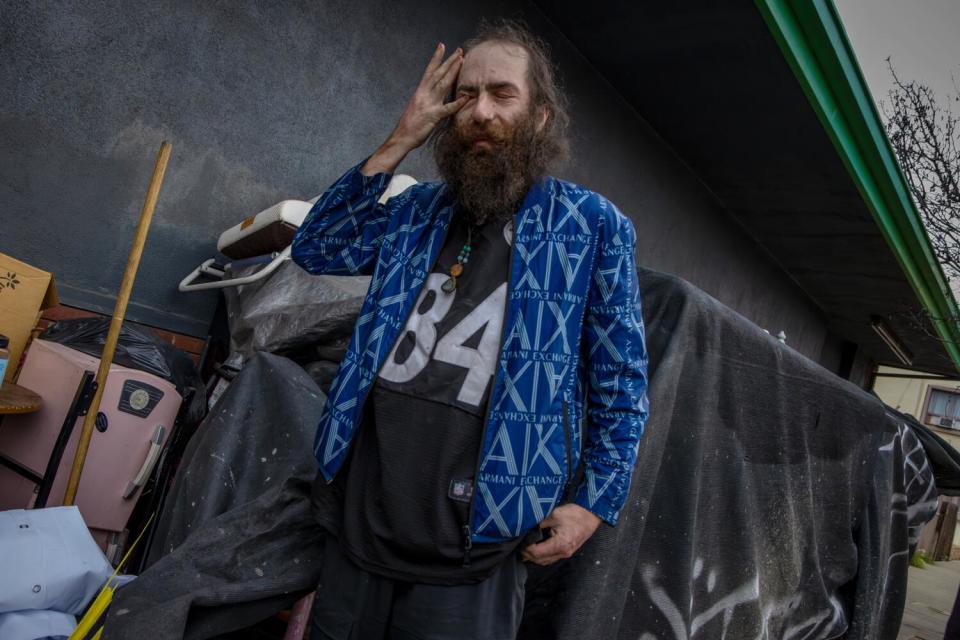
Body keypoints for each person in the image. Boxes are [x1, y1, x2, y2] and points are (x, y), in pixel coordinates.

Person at [291, 19, 648, 640]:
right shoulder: (414, 212)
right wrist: (401, 137)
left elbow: (621, 380)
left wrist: (595, 502)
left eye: (502, 94)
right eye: (466, 94)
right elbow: (319, 248)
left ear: (539, 115)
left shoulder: (590, 227)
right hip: (360, 528)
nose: (480, 110)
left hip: (479, 542)